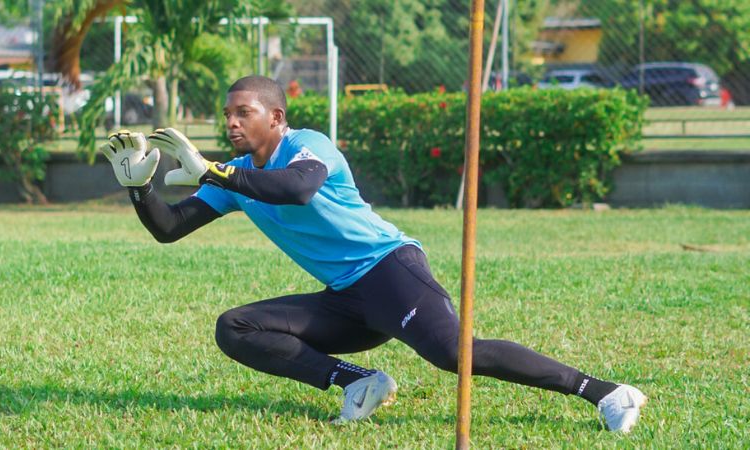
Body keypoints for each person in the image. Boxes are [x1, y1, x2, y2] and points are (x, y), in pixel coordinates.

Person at [99, 75, 647, 431]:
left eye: (244, 112)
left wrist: (217, 170)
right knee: (234, 327)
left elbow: (296, 189)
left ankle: (605, 393)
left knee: (453, 355)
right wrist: (140, 188)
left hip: (390, 271)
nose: (232, 122)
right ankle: (356, 383)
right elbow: (169, 228)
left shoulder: (307, 145)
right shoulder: (233, 179)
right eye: (228, 115)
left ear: (277, 119)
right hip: (346, 299)